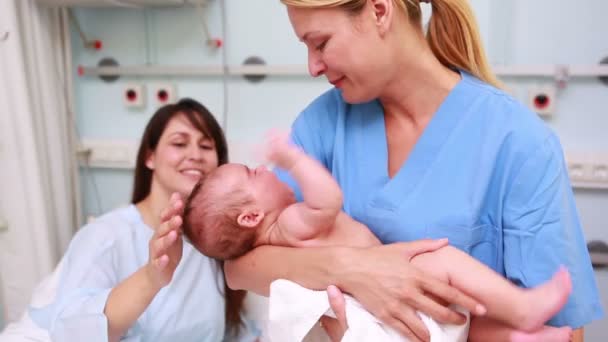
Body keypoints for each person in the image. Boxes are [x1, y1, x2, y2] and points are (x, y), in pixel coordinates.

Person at [161, 0, 603, 341]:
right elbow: (240, 266)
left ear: (378, 10)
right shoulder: (323, 125)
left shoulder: (517, 142)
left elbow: (564, 327)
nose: (312, 66)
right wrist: (356, 269)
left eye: (321, 43)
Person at [182, 132, 573, 341]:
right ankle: (522, 309)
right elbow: (328, 201)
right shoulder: (288, 225)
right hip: (386, 309)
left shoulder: (275, 246)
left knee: (465, 313)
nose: (264, 170)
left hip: (379, 318)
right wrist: (295, 161)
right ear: (251, 216)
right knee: (444, 262)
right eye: (253, 174)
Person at [19, 99, 253, 342]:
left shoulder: (215, 245)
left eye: (206, 146)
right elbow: (73, 331)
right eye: (179, 143)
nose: (195, 155)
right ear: (150, 157)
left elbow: (237, 330)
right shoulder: (105, 236)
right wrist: (152, 277)